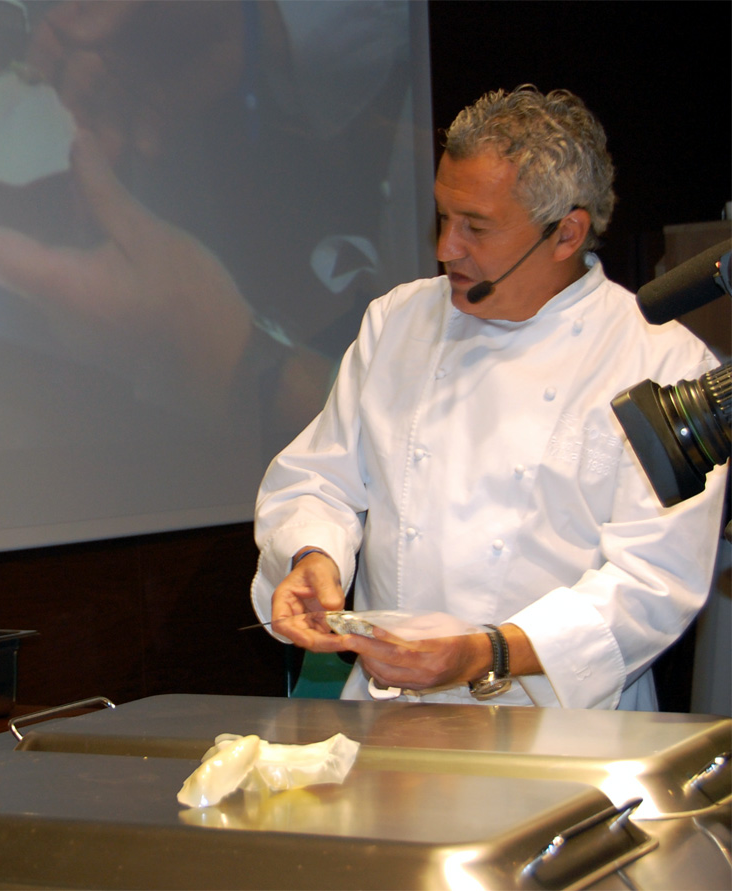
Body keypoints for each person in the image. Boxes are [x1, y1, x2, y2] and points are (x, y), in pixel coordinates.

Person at [251, 86, 726, 710]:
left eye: (476, 227)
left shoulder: (662, 361)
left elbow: (653, 585)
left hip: (560, 730)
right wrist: (313, 556)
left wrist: (484, 652)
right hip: (393, 714)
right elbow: (320, 479)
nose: (447, 246)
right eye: (444, 216)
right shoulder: (399, 323)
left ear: (566, 234)